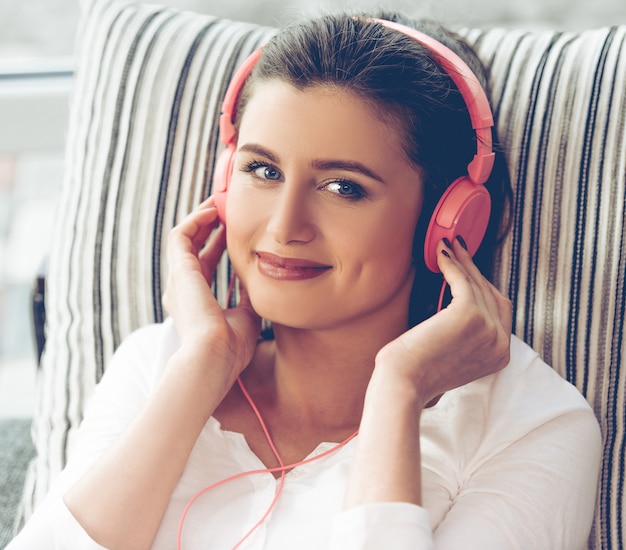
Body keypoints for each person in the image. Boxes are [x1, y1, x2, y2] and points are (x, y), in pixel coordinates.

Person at [9, 11, 601, 550]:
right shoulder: (156, 365)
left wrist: (397, 392)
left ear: (448, 219)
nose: (284, 226)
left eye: (343, 186)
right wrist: (203, 365)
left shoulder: (533, 424)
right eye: (262, 170)